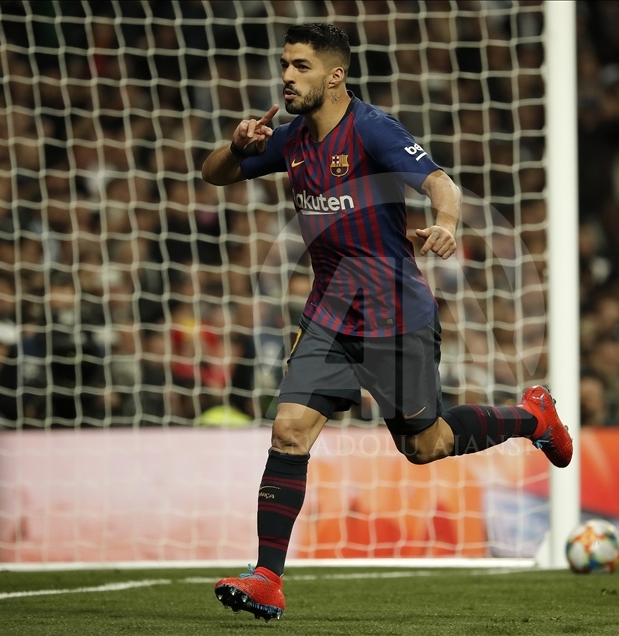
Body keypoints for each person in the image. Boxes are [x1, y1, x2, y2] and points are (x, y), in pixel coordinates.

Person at [200, 23, 573, 621]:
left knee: (426, 446)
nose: (286, 76)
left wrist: (445, 223)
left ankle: (534, 417)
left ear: (335, 76)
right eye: (285, 64)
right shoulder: (290, 138)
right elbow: (214, 174)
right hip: (329, 317)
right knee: (289, 431)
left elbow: (441, 184)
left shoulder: (371, 129)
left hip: (395, 317)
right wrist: (238, 146)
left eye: (299, 66)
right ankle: (267, 577)